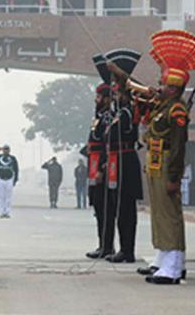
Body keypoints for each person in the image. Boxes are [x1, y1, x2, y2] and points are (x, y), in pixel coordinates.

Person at [109, 29, 195, 284]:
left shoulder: (176, 110)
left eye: (165, 83)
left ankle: (174, 265)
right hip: (156, 162)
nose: (160, 86)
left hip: (167, 163)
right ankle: (163, 257)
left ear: (175, 88)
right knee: (159, 214)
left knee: (170, 215)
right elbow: (139, 92)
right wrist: (123, 77)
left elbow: (178, 147)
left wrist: (174, 176)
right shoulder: (163, 105)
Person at [103, 49, 144, 264]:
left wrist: (119, 72)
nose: (115, 96)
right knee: (119, 209)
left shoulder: (130, 110)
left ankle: (128, 250)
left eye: (118, 93)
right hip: (116, 163)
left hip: (126, 163)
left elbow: (137, 87)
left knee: (126, 209)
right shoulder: (118, 113)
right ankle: (122, 248)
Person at [85, 82, 114, 259]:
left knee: (105, 209)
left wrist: (104, 166)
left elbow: (108, 144)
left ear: (107, 98)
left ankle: (107, 245)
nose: (96, 100)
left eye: (99, 96)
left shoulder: (108, 116)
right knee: (98, 207)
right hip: (93, 165)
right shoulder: (99, 116)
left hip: (101, 166)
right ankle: (102, 244)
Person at [0, 145, 18, 219]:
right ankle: (2, 212)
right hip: (0, 179)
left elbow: (16, 169)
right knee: (1, 197)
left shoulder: (12, 158)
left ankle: (7, 212)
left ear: (9, 150)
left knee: (9, 197)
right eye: (4, 149)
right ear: (2, 150)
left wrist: (15, 180)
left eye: (7, 149)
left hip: (9, 179)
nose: (6, 151)